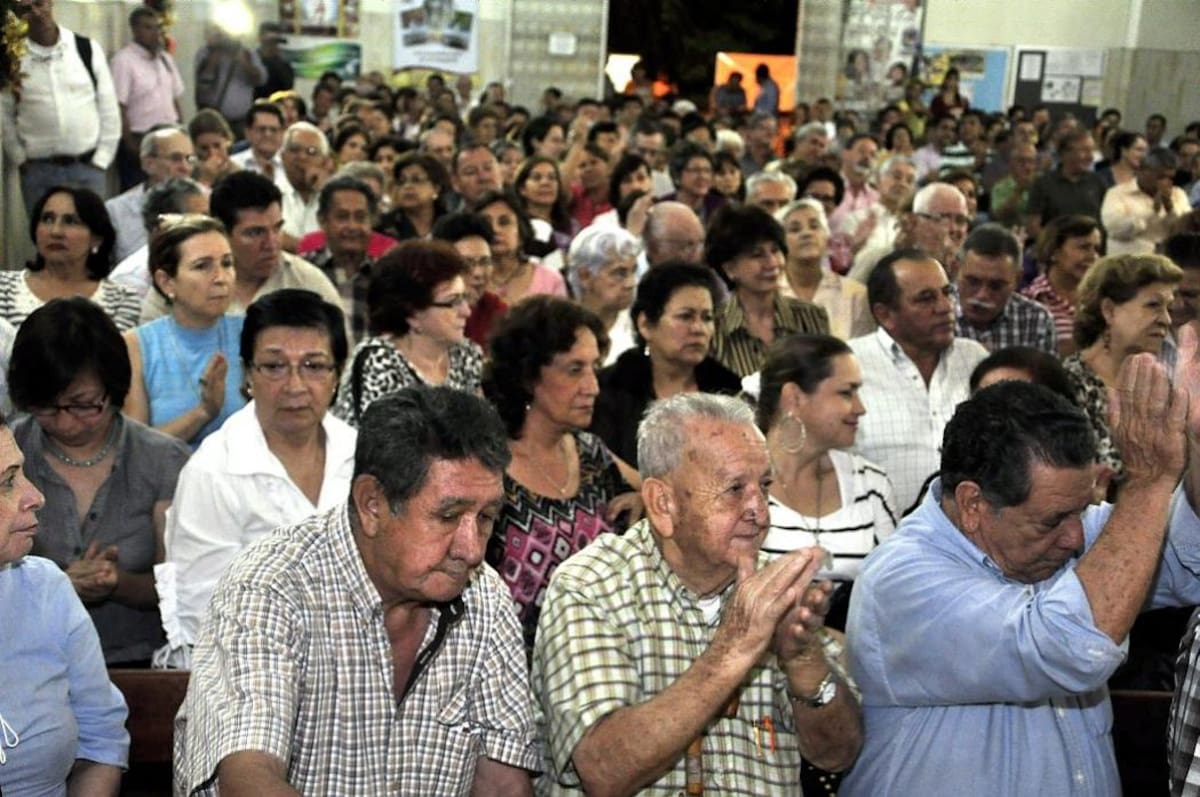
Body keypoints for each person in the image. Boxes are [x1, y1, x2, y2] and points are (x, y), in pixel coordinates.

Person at [843, 358, 1200, 796]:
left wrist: (1196, 443)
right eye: (1053, 521)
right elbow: (1069, 647)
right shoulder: (902, 581)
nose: (1074, 537)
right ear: (973, 504)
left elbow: (1188, 550)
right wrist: (1147, 483)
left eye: (1081, 511)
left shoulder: (1048, 535)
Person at [174, 387, 540, 794]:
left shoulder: (484, 598)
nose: (471, 549)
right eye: (448, 516)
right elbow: (249, 779)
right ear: (371, 505)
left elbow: (502, 785)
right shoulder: (271, 587)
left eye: (486, 517)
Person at [534, 392, 863, 794]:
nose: (759, 510)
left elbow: (840, 754)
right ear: (663, 503)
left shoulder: (773, 587)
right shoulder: (592, 585)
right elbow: (602, 769)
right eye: (734, 489)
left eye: (764, 485)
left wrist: (804, 660)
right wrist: (737, 644)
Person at [158, 290, 355, 661]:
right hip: (247, 672)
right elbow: (203, 615)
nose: (295, 385)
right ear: (248, 373)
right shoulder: (214, 470)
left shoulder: (361, 456)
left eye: (314, 366)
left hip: (354, 667)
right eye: (274, 366)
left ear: (337, 375)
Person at [9, 298, 190, 665]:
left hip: (140, 664)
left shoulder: (164, 460)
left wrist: (118, 583)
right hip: (24, 662)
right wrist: (58, 584)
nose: (65, 422)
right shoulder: (10, 456)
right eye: (46, 407)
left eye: (82, 404)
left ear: (114, 388)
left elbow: (179, 588)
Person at [482, 296, 639, 651]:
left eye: (594, 368)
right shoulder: (486, 469)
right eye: (574, 370)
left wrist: (646, 499)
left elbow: (674, 496)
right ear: (527, 376)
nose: (593, 387)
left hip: (604, 662)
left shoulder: (592, 455)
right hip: (514, 672)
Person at [0, 406, 129, 793]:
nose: (34, 496)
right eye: (6, 483)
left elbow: (101, 744)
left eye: (21, 472)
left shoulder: (45, 591)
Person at [757, 334, 897, 631]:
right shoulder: (739, 488)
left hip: (855, 670)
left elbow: (894, 601)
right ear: (794, 398)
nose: (861, 408)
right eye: (847, 393)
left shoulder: (872, 485)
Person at [849, 248, 988, 512]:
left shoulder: (974, 359)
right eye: (926, 299)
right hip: (879, 535)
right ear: (885, 314)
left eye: (947, 293)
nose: (945, 307)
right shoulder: (849, 364)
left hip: (970, 535)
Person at [139, 171, 343, 323]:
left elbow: (341, 362)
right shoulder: (179, 285)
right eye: (255, 233)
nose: (272, 244)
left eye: (277, 229)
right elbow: (149, 359)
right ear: (222, 232)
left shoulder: (307, 283)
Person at [591, 262, 740, 467]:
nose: (699, 329)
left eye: (707, 318)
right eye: (685, 316)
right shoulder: (608, 389)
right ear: (645, 324)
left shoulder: (728, 390)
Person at [124, 215, 246, 448]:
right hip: (169, 481)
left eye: (227, 263)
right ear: (167, 282)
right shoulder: (137, 345)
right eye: (202, 266)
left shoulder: (250, 332)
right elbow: (136, 450)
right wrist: (203, 412)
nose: (221, 278)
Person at [1063, 253, 1181, 492]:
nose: (1166, 319)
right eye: (1153, 305)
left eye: (1169, 307)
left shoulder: (1160, 385)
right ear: (1109, 311)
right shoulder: (1067, 385)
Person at [332, 240, 482, 425]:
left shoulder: (467, 355)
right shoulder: (378, 361)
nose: (466, 311)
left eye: (465, 299)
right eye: (453, 302)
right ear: (413, 313)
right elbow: (378, 446)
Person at [0, 0, 120, 209]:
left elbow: (108, 107)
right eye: (28, 9)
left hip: (87, 168)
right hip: (38, 172)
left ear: (51, 3)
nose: (37, 13)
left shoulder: (86, 49)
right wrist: (19, 158)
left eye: (40, 4)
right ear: (17, 16)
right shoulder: (14, 59)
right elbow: (5, 113)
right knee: (47, 238)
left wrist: (102, 159)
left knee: (89, 235)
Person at [708, 205, 830, 377]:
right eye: (757, 255)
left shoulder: (812, 316)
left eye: (775, 251)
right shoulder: (713, 330)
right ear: (730, 269)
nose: (772, 263)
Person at [0, 186, 140, 331]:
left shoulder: (121, 299)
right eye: (48, 219)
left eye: (71, 221)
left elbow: (115, 352)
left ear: (96, 238)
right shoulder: (4, 289)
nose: (56, 231)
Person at [108, 5, 184, 191]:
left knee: (170, 193)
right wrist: (130, 145)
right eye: (148, 27)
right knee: (139, 195)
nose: (155, 33)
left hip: (170, 136)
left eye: (157, 27)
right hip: (140, 140)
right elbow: (119, 107)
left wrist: (182, 130)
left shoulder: (165, 59)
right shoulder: (123, 61)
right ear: (135, 29)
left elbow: (175, 98)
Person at [778, 199, 873, 340]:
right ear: (779, 242)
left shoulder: (856, 295)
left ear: (827, 237)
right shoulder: (765, 294)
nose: (806, 234)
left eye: (814, 226)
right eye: (794, 229)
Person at [954, 223, 1057, 353]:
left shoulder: (1036, 320)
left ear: (1017, 279)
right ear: (957, 270)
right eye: (973, 282)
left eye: (996, 286)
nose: (982, 295)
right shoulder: (933, 315)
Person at [104, 125, 197, 263]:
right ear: (148, 163)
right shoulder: (116, 211)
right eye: (176, 159)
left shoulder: (208, 200)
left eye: (190, 159)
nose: (185, 168)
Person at [1022, 214, 1104, 355]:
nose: (1093, 257)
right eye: (1084, 248)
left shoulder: (1104, 299)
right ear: (1054, 251)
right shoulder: (1030, 300)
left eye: (1096, 249)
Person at [473, 189, 567, 304]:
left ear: (521, 232)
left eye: (504, 222)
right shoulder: (468, 280)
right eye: (486, 223)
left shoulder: (551, 279)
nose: (495, 229)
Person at [432, 211, 508, 347]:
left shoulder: (498, 312)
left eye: (485, 262)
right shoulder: (426, 315)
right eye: (466, 263)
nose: (478, 273)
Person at [566, 225, 639, 365]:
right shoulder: (557, 331)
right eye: (619, 273)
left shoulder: (641, 329)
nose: (631, 283)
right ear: (585, 276)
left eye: (633, 271)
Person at [1102, 148, 1190, 255]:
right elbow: (1115, 229)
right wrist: (1152, 211)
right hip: (1128, 263)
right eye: (1161, 177)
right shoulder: (1117, 193)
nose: (1166, 182)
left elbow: (1184, 231)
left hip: (1166, 262)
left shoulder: (1178, 194)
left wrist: (1170, 208)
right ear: (1142, 171)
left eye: (1170, 177)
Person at [1027, 130, 1106, 237]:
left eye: (1092, 151)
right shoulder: (1043, 183)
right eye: (1085, 151)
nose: (1091, 157)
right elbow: (1033, 226)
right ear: (1065, 153)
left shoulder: (1098, 182)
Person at [193, 25, 266, 139]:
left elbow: (261, 80)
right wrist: (214, 57)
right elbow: (202, 84)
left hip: (241, 121)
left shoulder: (247, 53)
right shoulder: (205, 53)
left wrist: (244, 62)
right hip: (213, 119)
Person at [229, 101, 285, 185]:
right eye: (262, 129)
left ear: (282, 133)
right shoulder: (232, 164)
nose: (268, 134)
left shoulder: (292, 166)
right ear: (247, 132)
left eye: (273, 130)